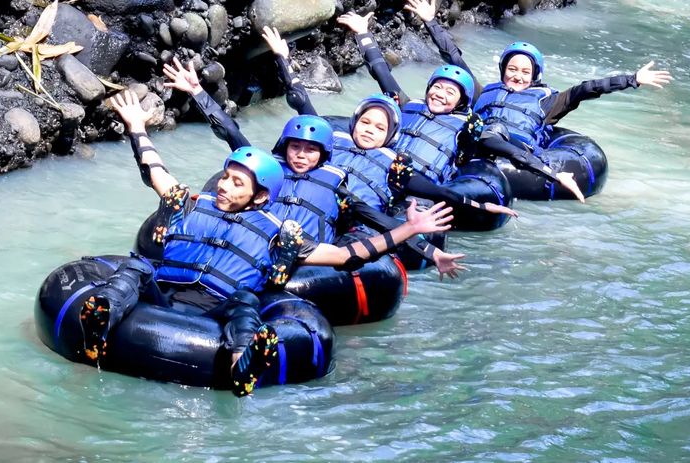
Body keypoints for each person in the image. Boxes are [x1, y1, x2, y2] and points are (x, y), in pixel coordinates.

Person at [80, 90, 453, 397]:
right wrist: (136, 128)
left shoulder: (281, 235)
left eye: (236, 183)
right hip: (165, 295)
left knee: (246, 301)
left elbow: (344, 255)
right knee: (139, 266)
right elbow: (154, 170)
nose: (224, 186)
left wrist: (409, 231)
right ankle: (103, 318)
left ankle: (242, 363)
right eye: (225, 177)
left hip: (218, 308)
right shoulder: (192, 203)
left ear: (259, 197)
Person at [162, 62, 467, 278]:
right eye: (296, 147)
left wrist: (432, 252)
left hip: (311, 247)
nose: (302, 155)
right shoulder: (279, 172)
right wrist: (198, 93)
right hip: (258, 239)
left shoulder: (341, 185)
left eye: (379, 127)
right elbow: (236, 137)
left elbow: (382, 220)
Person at [258, 25, 518, 220]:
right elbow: (305, 106)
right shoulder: (346, 137)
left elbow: (444, 188)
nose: (370, 130)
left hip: (386, 200)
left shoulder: (401, 162)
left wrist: (481, 206)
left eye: (451, 92)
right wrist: (283, 58)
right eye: (437, 87)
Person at [336, 11, 588, 202]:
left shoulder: (466, 130)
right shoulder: (406, 107)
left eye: (450, 92)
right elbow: (382, 73)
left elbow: (511, 152)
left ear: (461, 102)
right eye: (437, 87)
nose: (440, 94)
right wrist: (363, 34)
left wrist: (553, 174)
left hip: (420, 195)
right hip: (378, 179)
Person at [402, 0, 673, 152]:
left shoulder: (549, 102)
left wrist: (633, 79)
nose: (517, 76)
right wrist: (430, 22)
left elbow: (587, 89)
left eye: (524, 72)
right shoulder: (483, 93)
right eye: (511, 69)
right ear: (502, 71)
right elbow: (454, 58)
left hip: (517, 155)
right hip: (478, 147)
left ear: (535, 77)